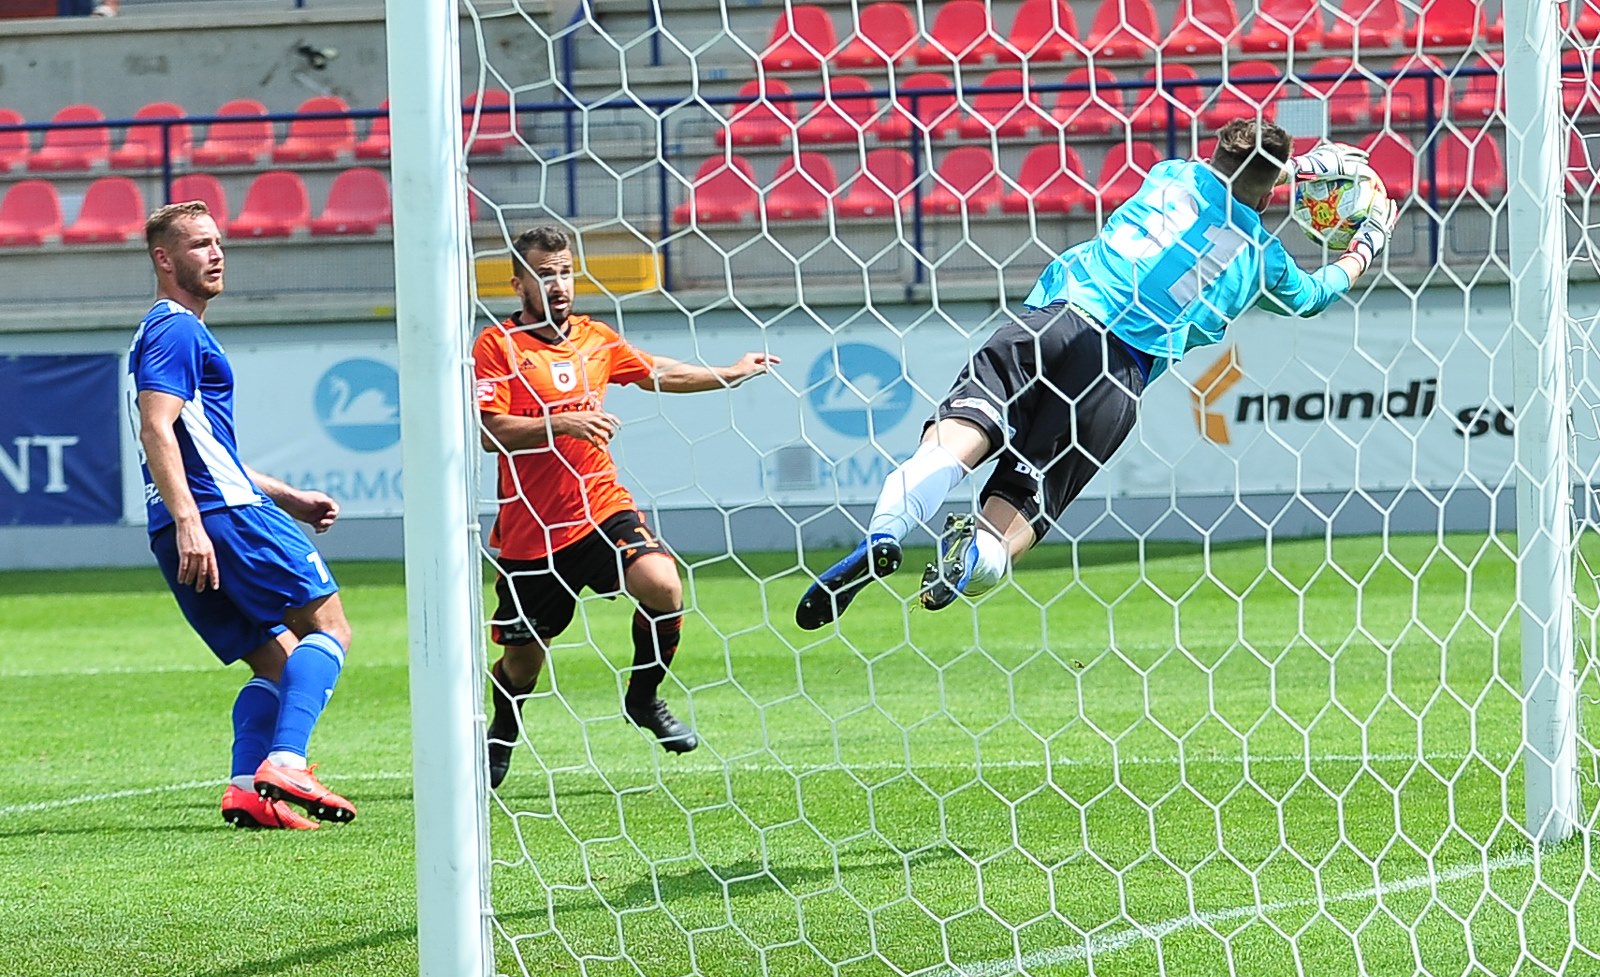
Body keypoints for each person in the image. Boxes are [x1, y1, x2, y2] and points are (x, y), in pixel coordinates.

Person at [796, 118, 1399, 629]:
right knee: (1013, 516)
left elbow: (1237, 173)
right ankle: (972, 562)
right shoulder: (1263, 258)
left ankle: (885, 533)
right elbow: (1313, 295)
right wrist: (1364, 245)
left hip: (1056, 325)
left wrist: (1304, 165)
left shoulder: (1172, 176)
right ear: (1268, 197)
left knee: (951, 442)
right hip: (1115, 383)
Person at [475, 225, 778, 788]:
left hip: (599, 509)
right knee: (523, 664)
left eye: (564, 272)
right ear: (517, 284)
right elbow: (491, 432)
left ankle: (643, 698)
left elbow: (657, 371)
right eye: (544, 275)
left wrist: (730, 373)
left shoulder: (595, 338)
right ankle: (503, 728)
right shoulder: (497, 346)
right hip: (532, 532)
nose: (558, 285)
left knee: (662, 585)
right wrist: (562, 423)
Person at [129, 201, 356, 830]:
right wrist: (191, 521)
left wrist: (290, 497)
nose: (216, 254)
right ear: (164, 259)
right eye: (199, 245)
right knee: (330, 627)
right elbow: (156, 427)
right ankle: (286, 762)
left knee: (277, 662)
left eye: (218, 242)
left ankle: (246, 788)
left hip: (184, 521)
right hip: (220, 517)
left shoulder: (159, 333)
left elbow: (204, 449)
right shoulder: (175, 329)